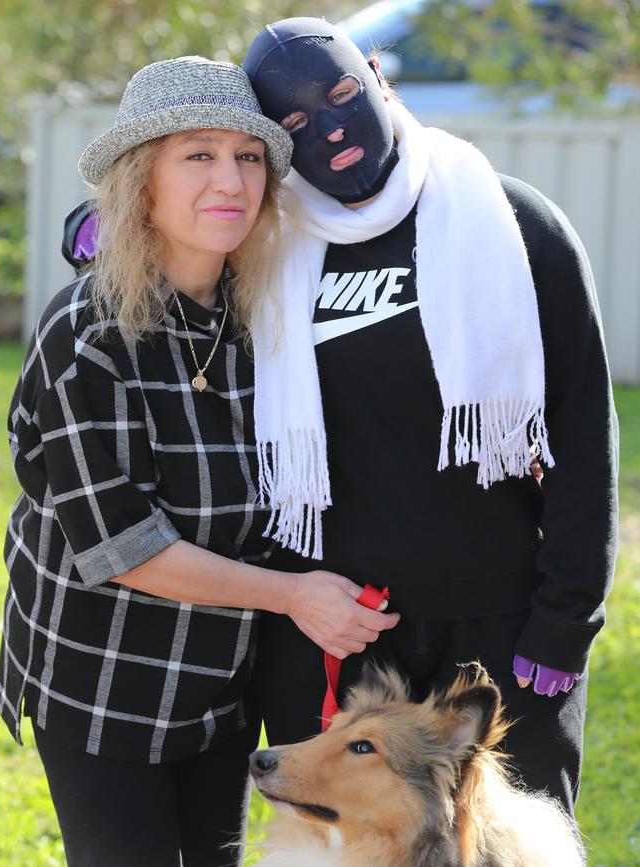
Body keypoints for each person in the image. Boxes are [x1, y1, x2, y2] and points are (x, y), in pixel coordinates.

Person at [0, 55, 400, 867]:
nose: (231, 180)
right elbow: (123, 547)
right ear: (142, 181)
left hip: (219, 688)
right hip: (104, 682)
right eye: (199, 155)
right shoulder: (88, 336)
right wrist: (295, 597)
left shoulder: (258, 320)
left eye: (249, 157)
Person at [239, 17, 618, 818]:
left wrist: (566, 617)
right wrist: (97, 232)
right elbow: (167, 239)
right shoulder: (264, 248)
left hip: (502, 634)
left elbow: (583, 433)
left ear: (379, 75)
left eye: (343, 95)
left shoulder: (512, 224)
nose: (332, 131)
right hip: (336, 631)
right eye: (297, 124)